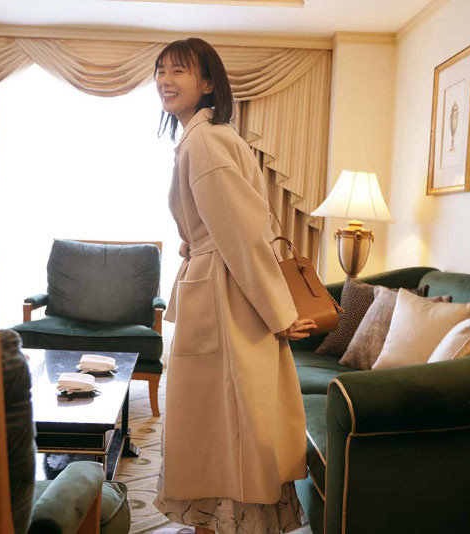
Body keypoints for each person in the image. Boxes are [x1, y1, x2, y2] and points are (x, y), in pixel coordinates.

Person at [151, 37, 316, 534]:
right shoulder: (203, 138)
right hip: (216, 289)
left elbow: (243, 236)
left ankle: (224, 524)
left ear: (207, 83)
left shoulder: (205, 141)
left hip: (227, 298)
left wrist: (281, 313)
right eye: (160, 70)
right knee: (216, 424)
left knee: (224, 424)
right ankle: (216, 523)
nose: (165, 80)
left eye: (179, 71)